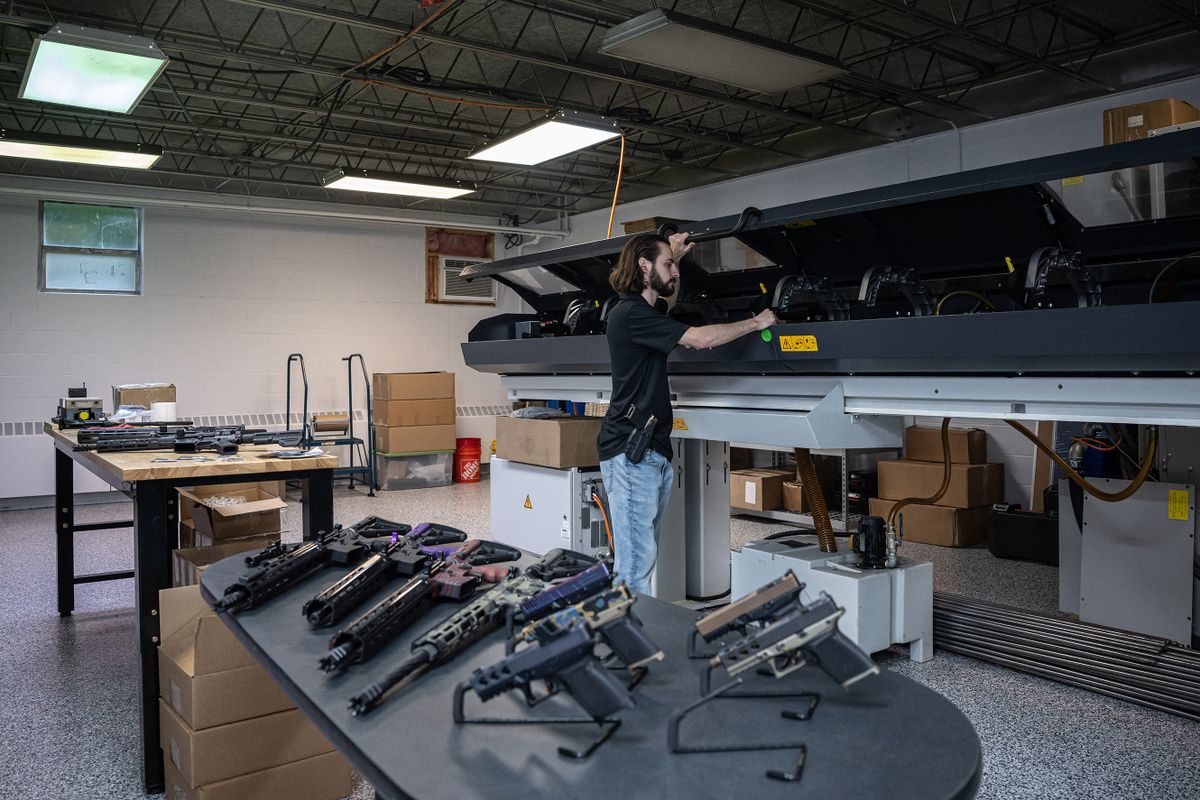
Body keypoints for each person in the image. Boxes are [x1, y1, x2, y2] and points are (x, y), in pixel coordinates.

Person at [597, 232, 778, 594]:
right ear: (644, 265)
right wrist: (755, 323)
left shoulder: (643, 313)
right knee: (634, 566)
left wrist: (675, 258)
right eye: (665, 265)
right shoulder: (630, 314)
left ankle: (629, 635)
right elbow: (700, 339)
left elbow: (669, 301)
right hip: (632, 454)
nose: (673, 273)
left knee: (641, 557)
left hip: (649, 451)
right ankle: (624, 644)